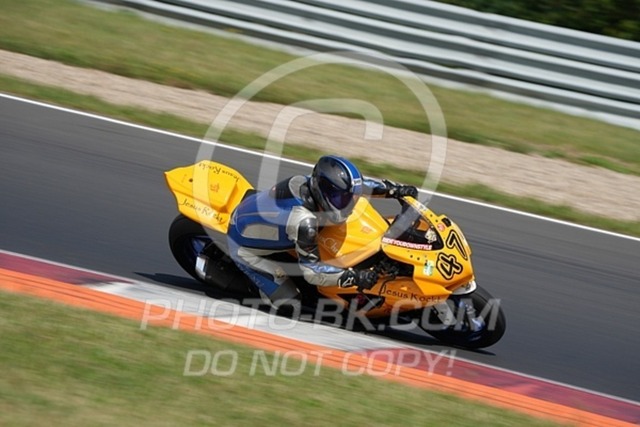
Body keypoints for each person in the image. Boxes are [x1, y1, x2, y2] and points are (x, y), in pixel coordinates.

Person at [227, 155, 418, 306]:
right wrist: (354, 277)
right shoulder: (304, 222)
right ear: (323, 192)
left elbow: (361, 185)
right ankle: (255, 285)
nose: (348, 203)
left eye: (349, 198)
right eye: (340, 198)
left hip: (265, 216)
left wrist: (395, 190)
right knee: (290, 303)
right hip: (243, 246)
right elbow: (312, 272)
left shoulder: (315, 183)